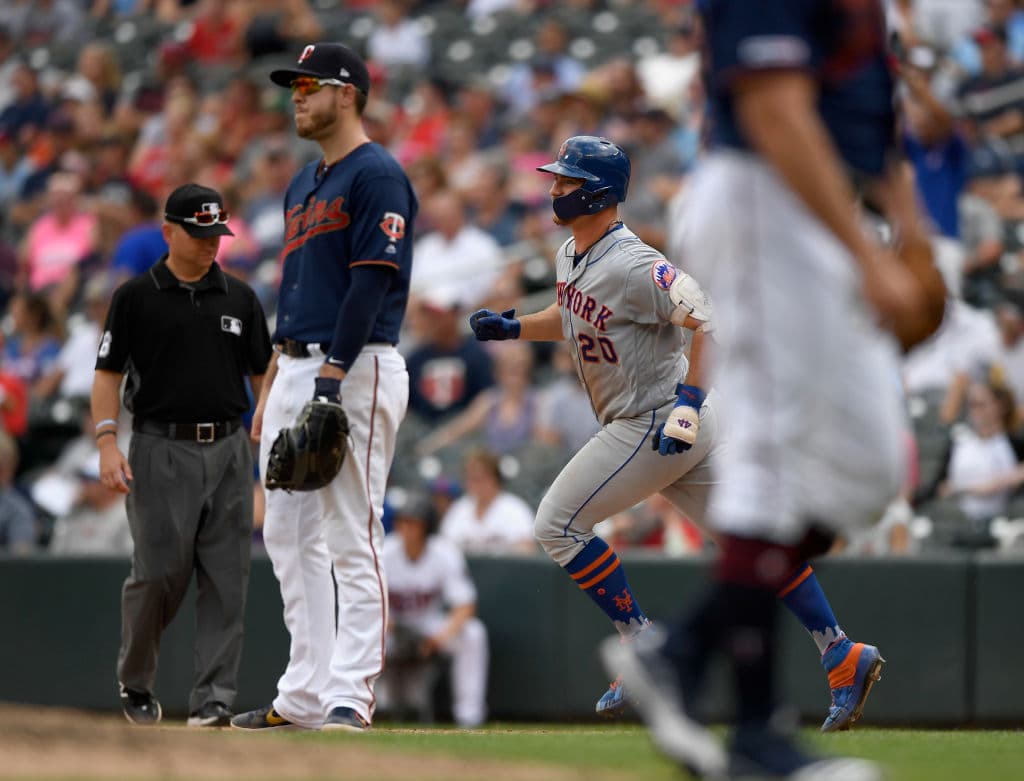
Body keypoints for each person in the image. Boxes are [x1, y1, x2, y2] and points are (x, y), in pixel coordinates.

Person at [599, 3, 944, 778]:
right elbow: (774, 106)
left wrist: (911, 234)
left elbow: (868, 108)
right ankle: (757, 733)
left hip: (828, 203)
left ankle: (682, 653)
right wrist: (868, 255)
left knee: (868, 469)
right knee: (774, 467)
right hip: (768, 192)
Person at [470, 135, 890, 734]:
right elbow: (572, 320)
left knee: (557, 526)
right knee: (748, 545)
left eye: (565, 180)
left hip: (660, 418)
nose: (554, 188)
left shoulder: (635, 262)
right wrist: (514, 328)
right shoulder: (571, 253)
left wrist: (687, 403)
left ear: (598, 192)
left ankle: (643, 646)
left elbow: (708, 315)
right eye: (556, 178)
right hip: (668, 419)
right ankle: (841, 652)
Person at [230, 42, 417, 733]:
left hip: (357, 362)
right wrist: (279, 362)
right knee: (285, 533)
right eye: (292, 86)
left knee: (351, 529)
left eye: (308, 85)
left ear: (348, 92)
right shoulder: (303, 181)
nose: (296, 96)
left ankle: (350, 692)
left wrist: (331, 377)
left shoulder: (378, 175)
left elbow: (373, 279)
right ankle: (304, 691)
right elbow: (303, 281)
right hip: (298, 361)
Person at [92, 182, 273, 728]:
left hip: (228, 448)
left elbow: (264, 372)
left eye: (215, 233)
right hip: (157, 445)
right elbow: (107, 373)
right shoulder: (135, 297)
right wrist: (105, 441)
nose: (209, 244)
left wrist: (264, 424)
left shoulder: (240, 297)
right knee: (157, 575)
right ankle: (137, 681)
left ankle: (212, 700)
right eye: (198, 233)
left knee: (227, 579)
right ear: (168, 231)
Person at [379, 493, 488, 728]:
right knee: (360, 632)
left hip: (428, 623)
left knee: (473, 634)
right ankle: (364, 705)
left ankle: (469, 716)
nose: (405, 529)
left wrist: (439, 638)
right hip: (392, 624)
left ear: (427, 527)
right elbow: (369, 601)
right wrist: (387, 623)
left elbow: (465, 605)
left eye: (413, 523)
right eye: (402, 522)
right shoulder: (385, 551)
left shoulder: (444, 552)